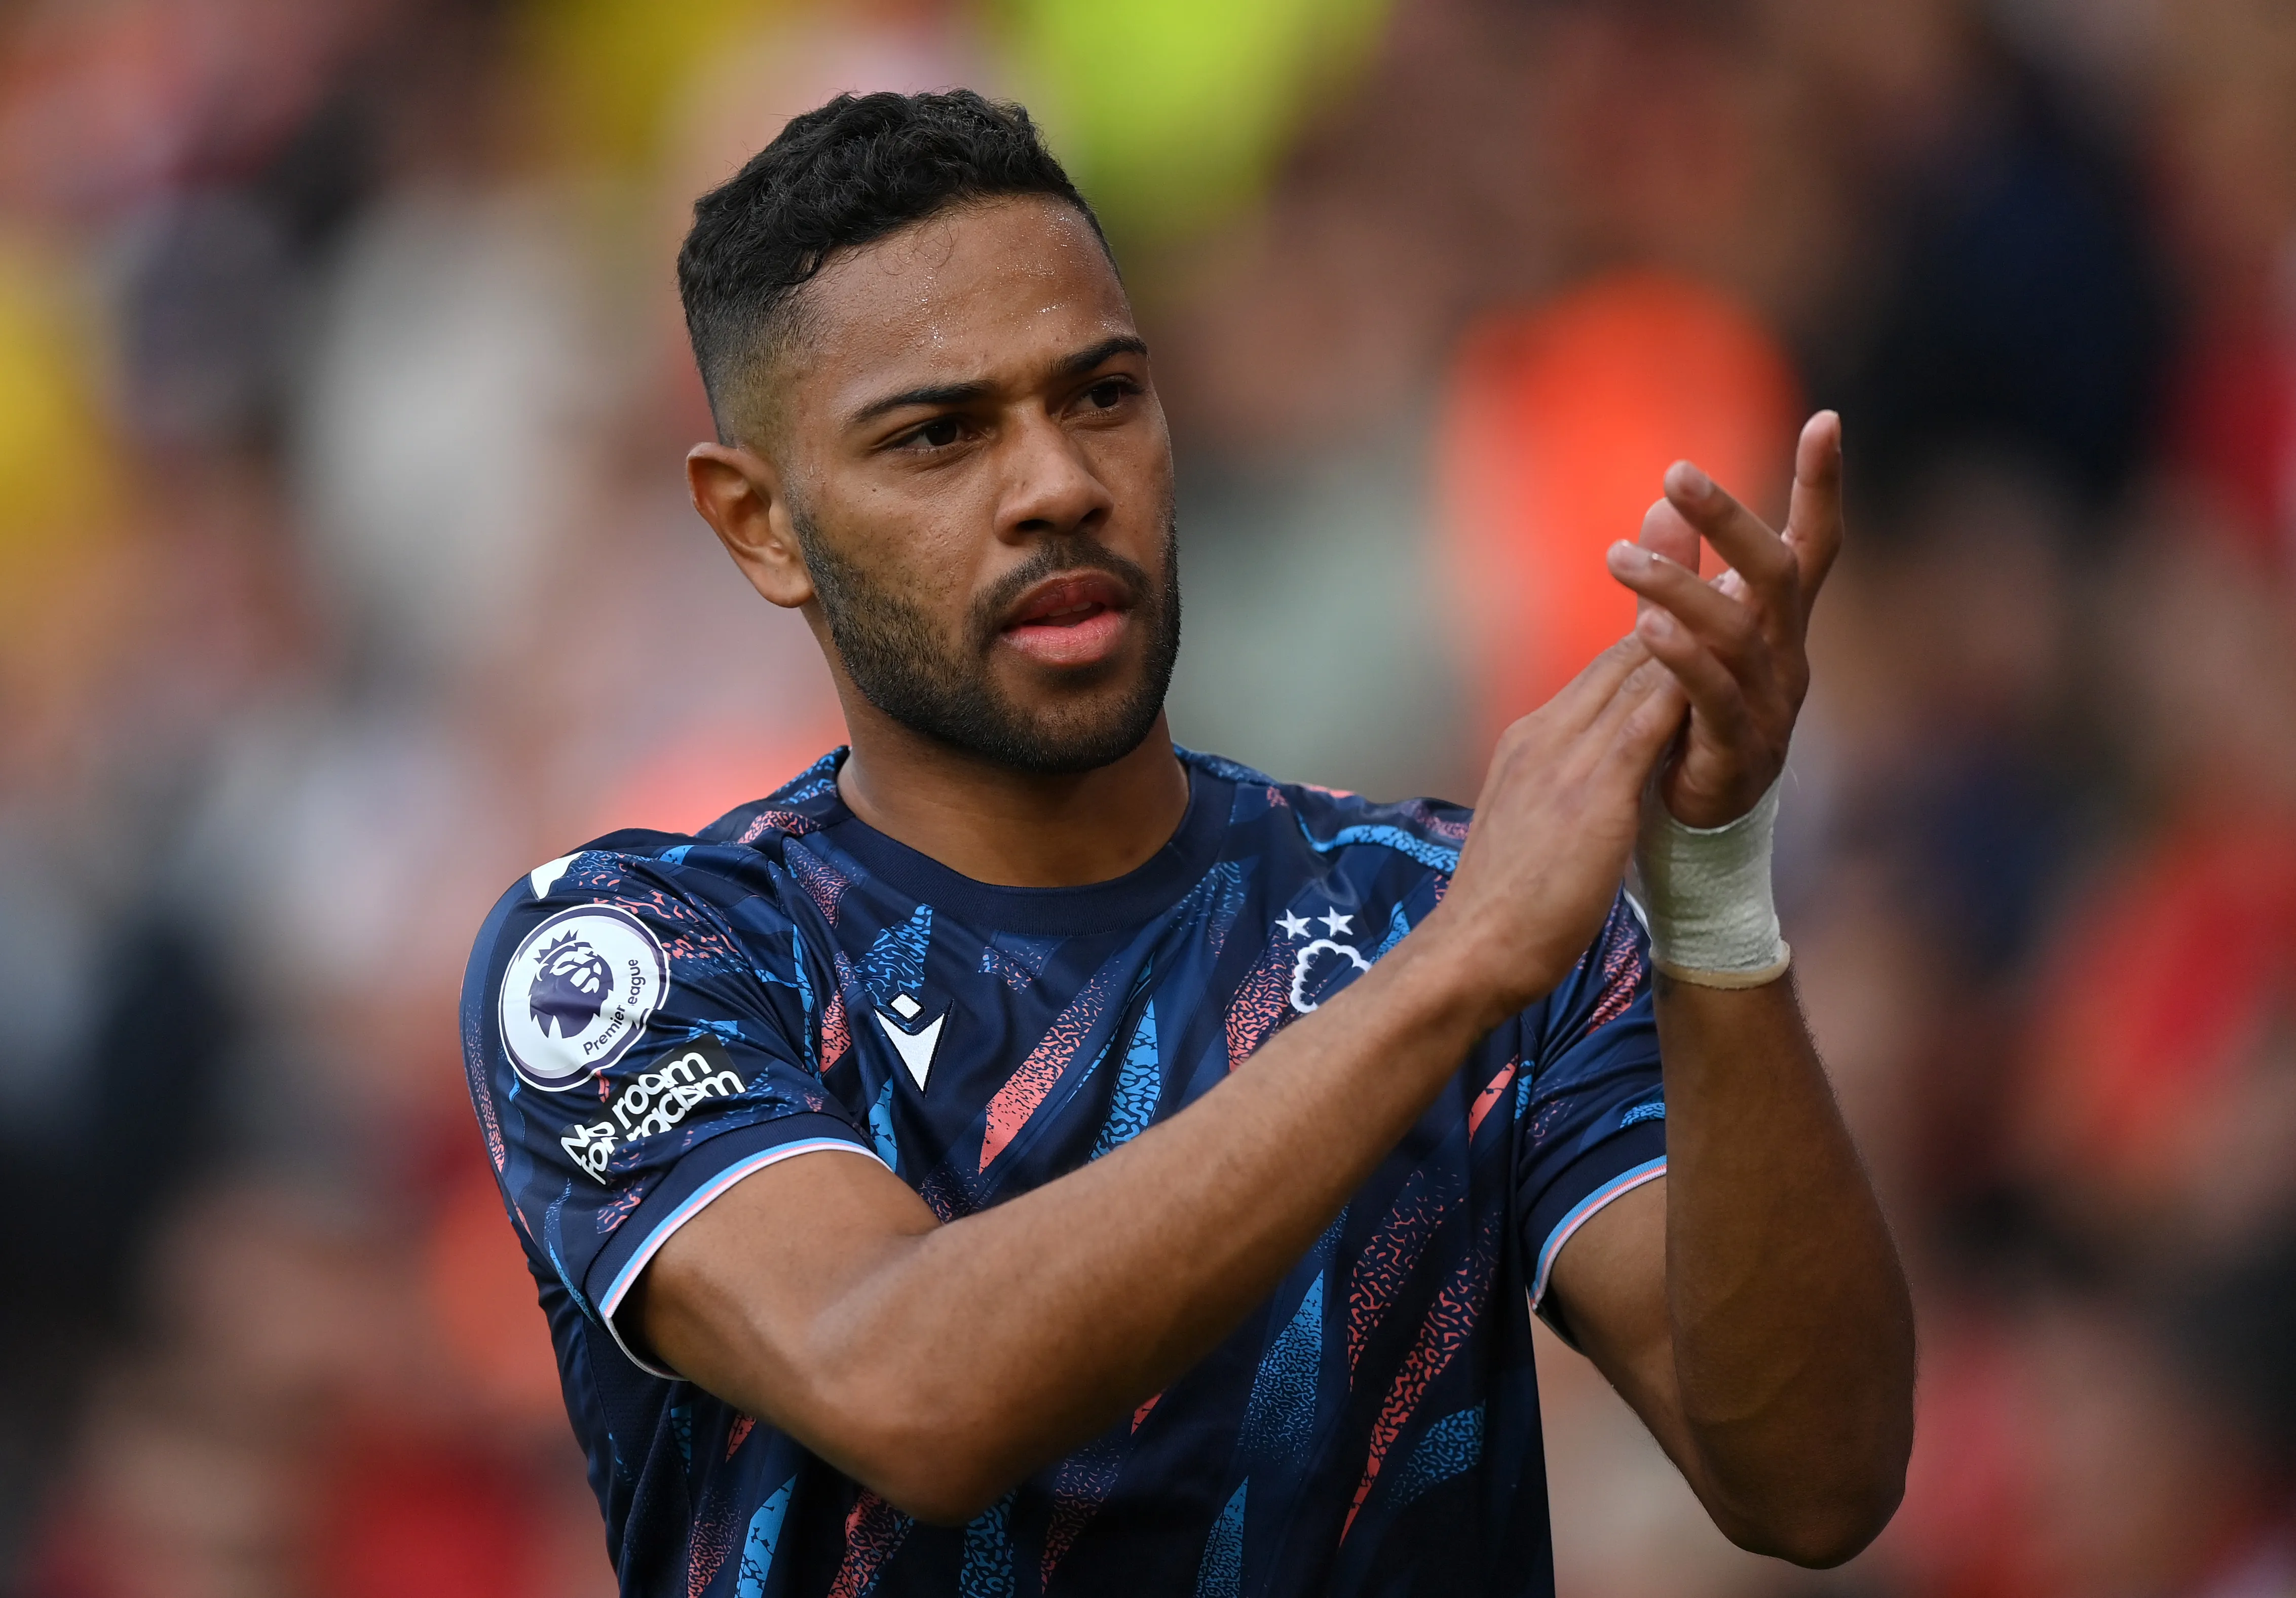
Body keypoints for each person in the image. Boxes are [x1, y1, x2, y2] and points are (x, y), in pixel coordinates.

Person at [459, 90, 1913, 1597]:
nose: (1058, 484)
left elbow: (1816, 1481)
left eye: (1100, 396)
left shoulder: (1440, 912)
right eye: (941, 436)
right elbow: (912, 1389)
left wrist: (1714, 894)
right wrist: (1454, 974)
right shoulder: (642, 957)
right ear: (758, 524)